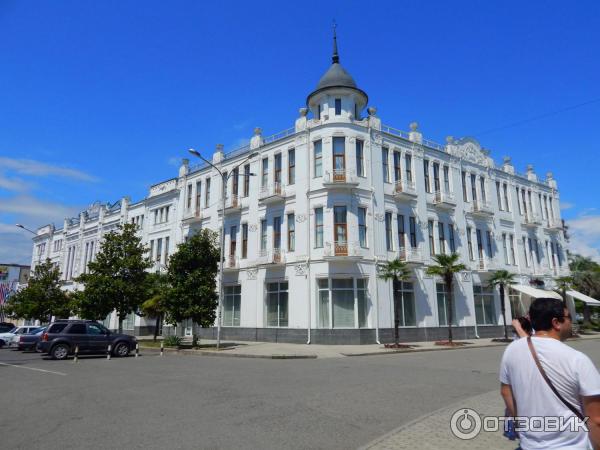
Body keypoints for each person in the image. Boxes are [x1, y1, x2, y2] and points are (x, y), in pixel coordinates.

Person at [500, 297, 600, 449]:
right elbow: (596, 419)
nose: (571, 323)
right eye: (569, 318)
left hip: (529, 444)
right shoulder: (577, 359)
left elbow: (505, 391)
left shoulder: (512, 350)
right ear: (556, 323)